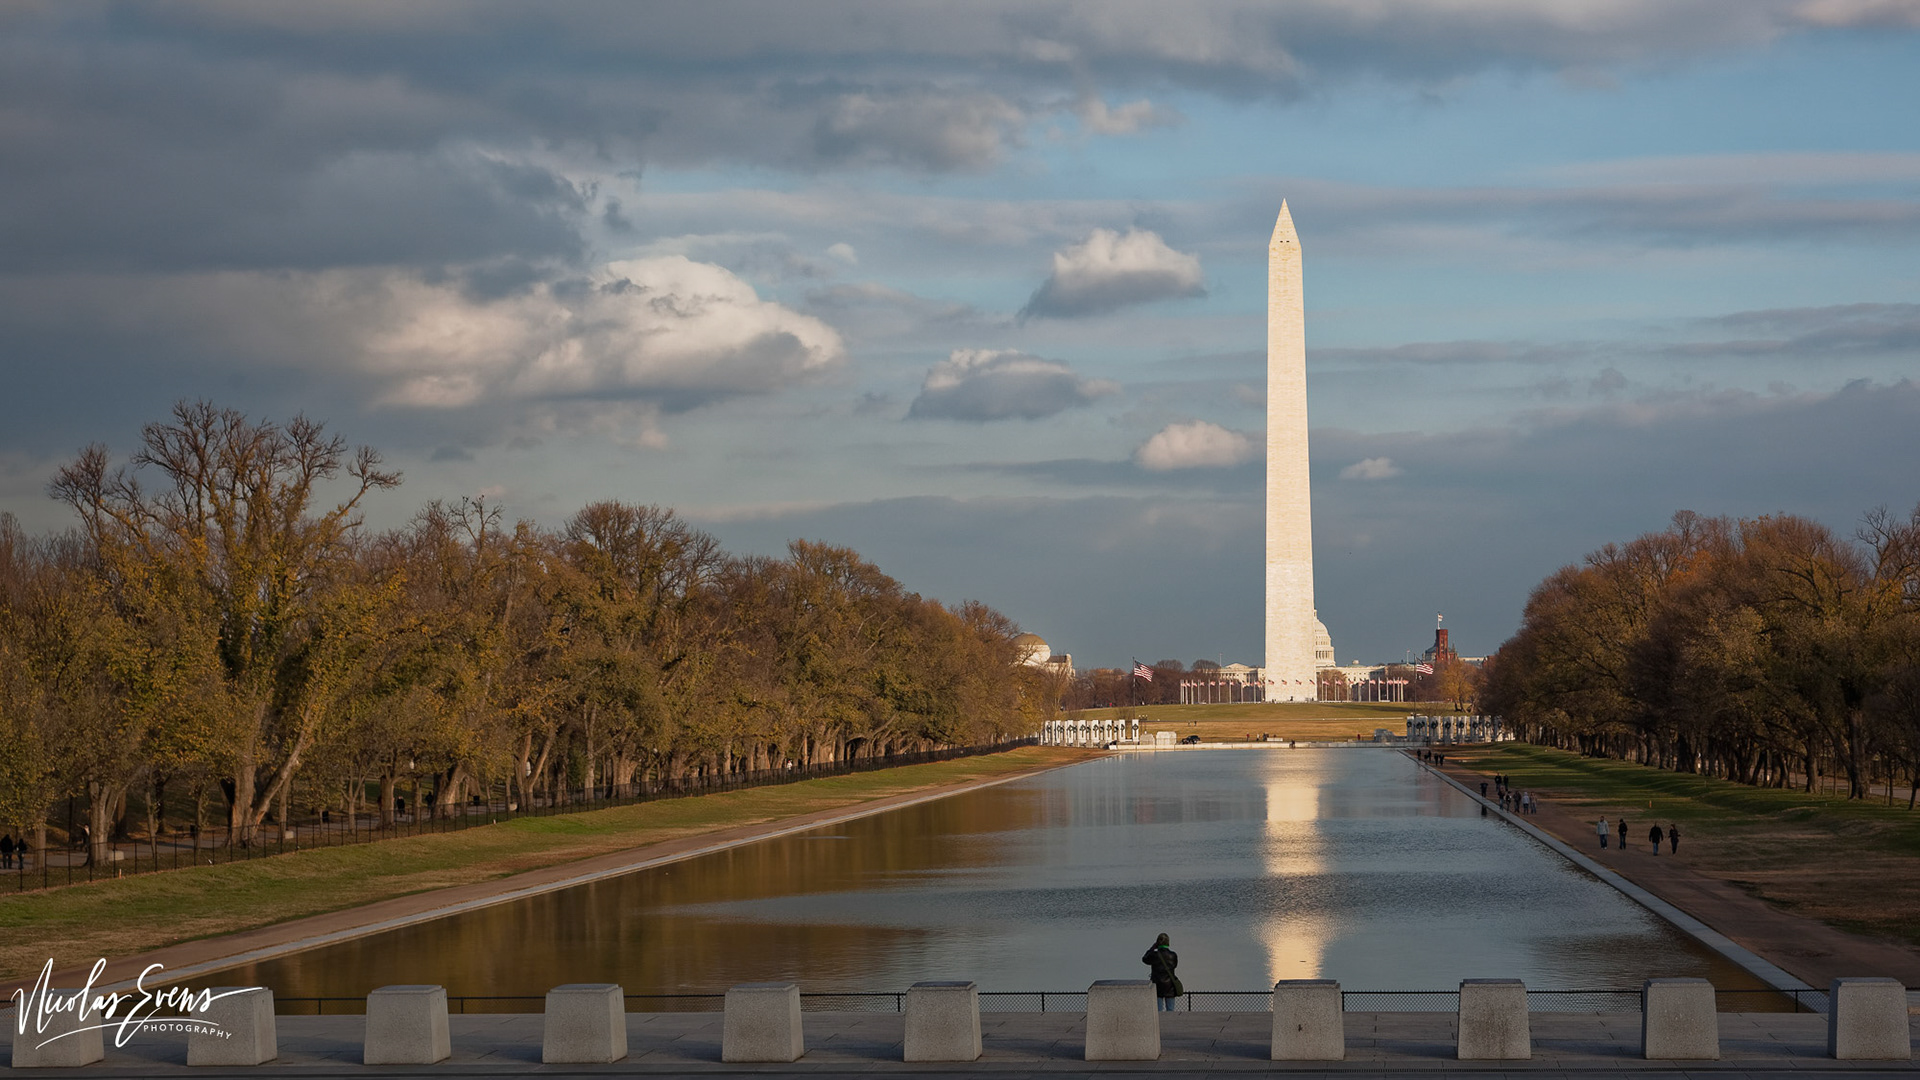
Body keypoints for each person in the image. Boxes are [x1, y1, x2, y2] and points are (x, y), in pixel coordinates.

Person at [1142, 933, 1181, 1012]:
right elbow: (1175, 965)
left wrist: (1152, 948)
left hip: (1157, 985)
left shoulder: (1154, 955)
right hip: (1170, 986)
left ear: (1157, 943)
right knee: (1170, 1010)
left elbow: (1144, 959)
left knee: (1158, 1011)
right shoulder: (1173, 955)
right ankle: (1170, 1020)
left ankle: (1159, 1020)